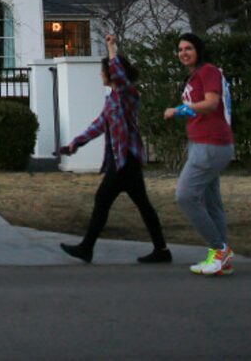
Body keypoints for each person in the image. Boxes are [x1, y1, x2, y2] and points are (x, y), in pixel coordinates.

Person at [58, 33, 170, 264]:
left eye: (103, 71)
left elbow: (118, 75)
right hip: (124, 159)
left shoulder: (126, 93)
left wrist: (111, 48)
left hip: (125, 159)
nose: (100, 74)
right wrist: (75, 144)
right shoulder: (112, 99)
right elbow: (99, 125)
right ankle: (161, 249)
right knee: (142, 204)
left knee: (103, 199)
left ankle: (87, 248)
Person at [163, 31, 235, 277]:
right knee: (211, 202)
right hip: (201, 143)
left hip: (211, 144)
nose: (183, 53)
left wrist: (180, 109)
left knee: (185, 196)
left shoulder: (208, 71)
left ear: (198, 50)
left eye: (188, 48)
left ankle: (219, 249)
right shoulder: (195, 75)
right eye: (180, 49)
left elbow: (211, 103)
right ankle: (220, 258)